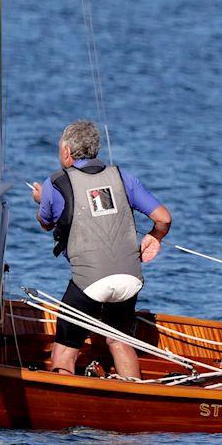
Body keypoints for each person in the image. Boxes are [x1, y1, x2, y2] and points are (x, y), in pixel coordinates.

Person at [31, 120, 171, 378]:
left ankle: (64, 408)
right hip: (130, 279)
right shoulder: (122, 176)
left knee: (65, 350)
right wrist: (155, 237)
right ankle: (135, 400)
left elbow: (46, 224)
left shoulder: (55, 183)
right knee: (119, 341)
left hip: (90, 283)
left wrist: (42, 199)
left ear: (66, 152)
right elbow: (163, 218)